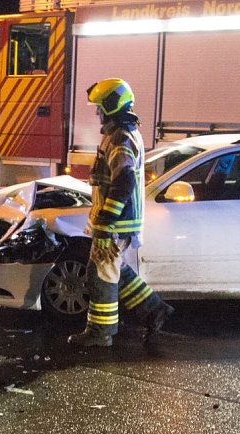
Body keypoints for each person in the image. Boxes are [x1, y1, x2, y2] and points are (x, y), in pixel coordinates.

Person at [68, 78, 173, 348]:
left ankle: (100, 333)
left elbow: (123, 180)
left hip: (115, 224)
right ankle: (154, 310)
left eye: (100, 107)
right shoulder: (122, 133)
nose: (97, 113)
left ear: (112, 106)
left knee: (100, 274)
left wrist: (104, 221)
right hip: (120, 223)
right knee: (116, 268)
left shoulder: (120, 137)